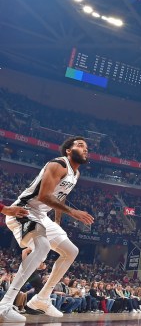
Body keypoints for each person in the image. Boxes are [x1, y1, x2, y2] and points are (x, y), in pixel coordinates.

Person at [0, 136, 94, 323]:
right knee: (42, 246)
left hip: (41, 216)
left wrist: (57, 221)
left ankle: (41, 298)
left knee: (71, 251)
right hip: (23, 211)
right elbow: (43, 196)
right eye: (80, 145)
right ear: (68, 150)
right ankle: (5, 304)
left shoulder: (75, 174)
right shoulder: (58, 164)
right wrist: (73, 212)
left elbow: (59, 197)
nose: (85, 149)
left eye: (87, 148)